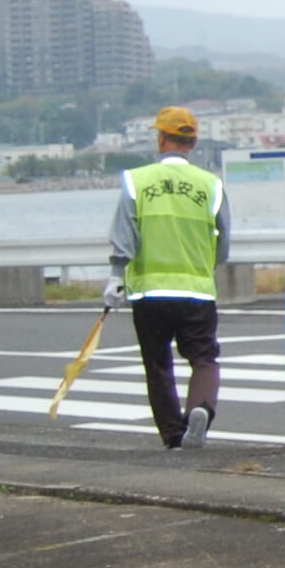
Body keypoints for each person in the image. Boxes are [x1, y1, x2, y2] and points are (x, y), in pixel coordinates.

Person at [107, 105, 231, 450]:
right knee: (204, 358)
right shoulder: (211, 184)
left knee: (158, 364)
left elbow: (124, 235)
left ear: (161, 138)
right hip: (197, 291)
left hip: (149, 292)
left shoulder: (137, 181)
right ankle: (201, 409)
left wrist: (117, 274)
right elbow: (223, 246)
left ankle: (173, 435)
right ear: (191, 143)